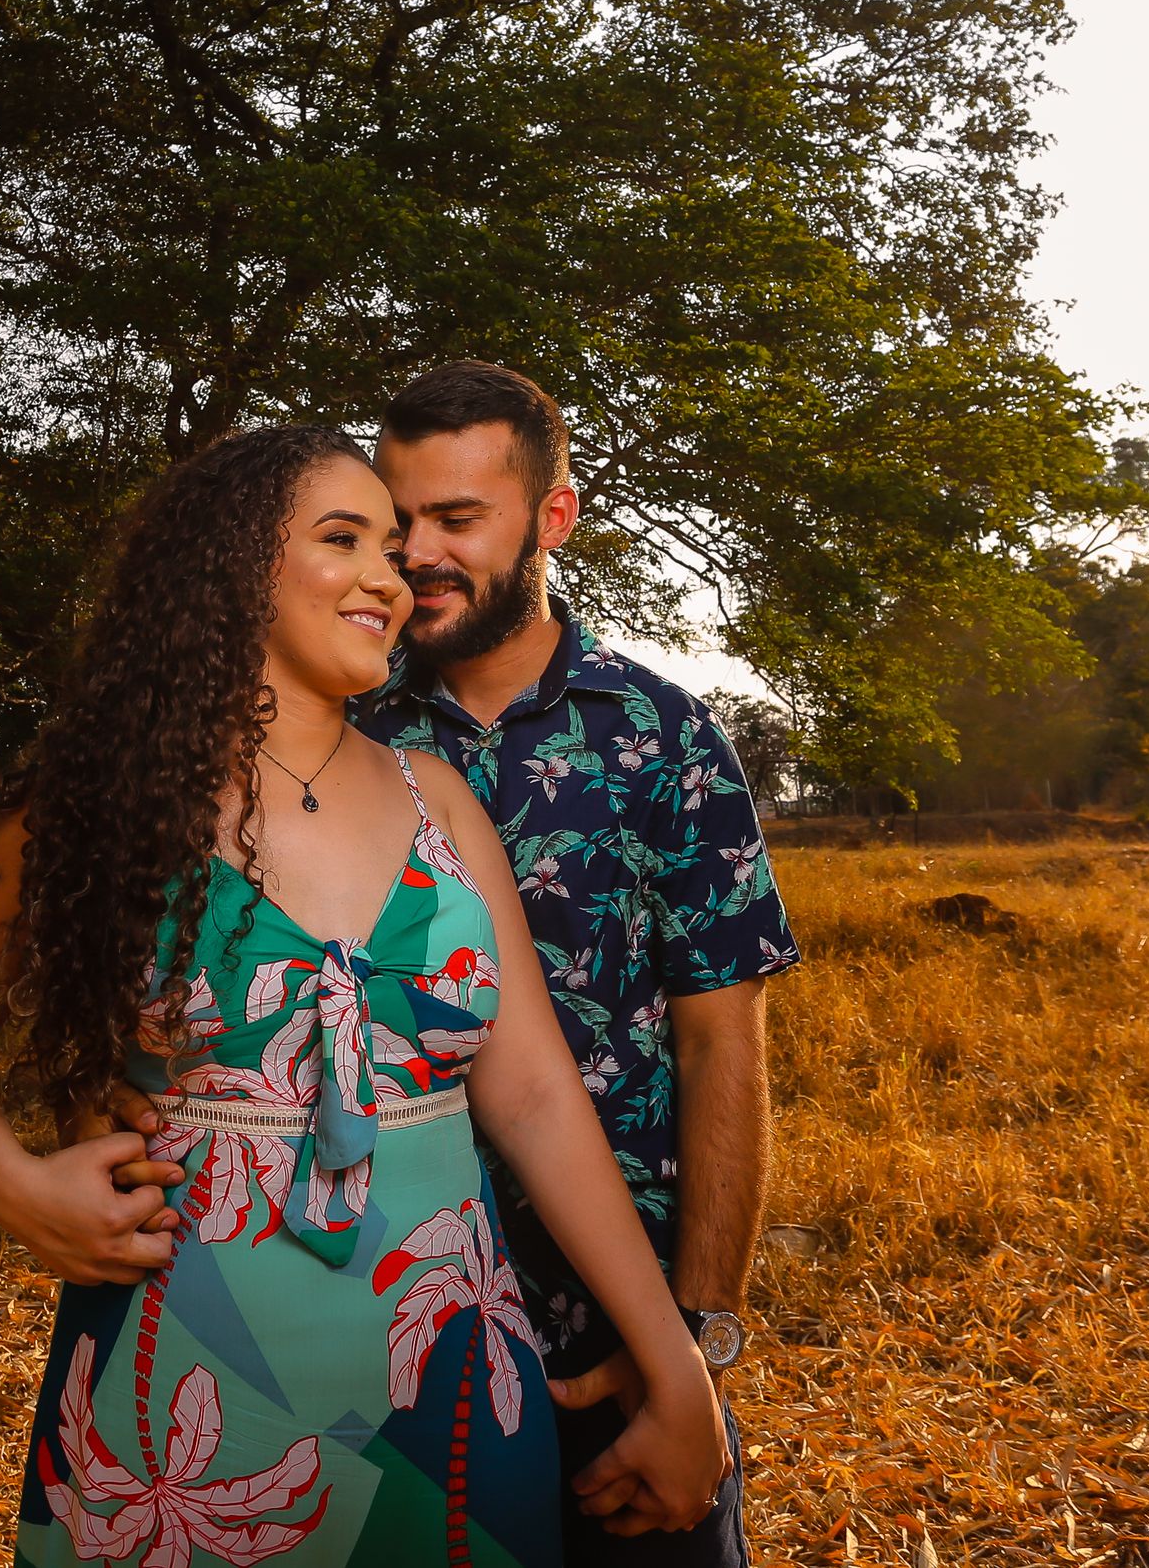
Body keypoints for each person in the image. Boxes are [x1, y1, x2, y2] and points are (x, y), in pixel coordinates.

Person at [0, 424, 728, 1567]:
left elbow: (536, 1097)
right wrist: (8, 1176)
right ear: (233, 561)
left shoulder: (437, 796)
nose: (393, 574)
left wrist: (679, 1366)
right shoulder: (97, 802)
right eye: (346, 538)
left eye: (393, 546)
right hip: (184, 1383)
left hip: (453, 1376)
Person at [359, 362, 802, 1567]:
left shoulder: (665, 735)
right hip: (391, 1330)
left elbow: (720, 1043)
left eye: (458, 518)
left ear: (552, 517)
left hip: (621, 1336)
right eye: (399, 518)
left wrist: (695, 1341)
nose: (418, 553)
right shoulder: (346, 735)